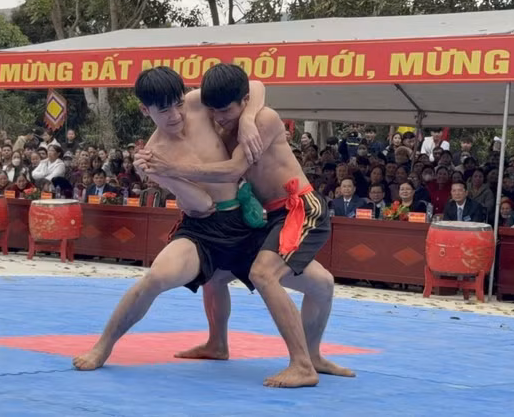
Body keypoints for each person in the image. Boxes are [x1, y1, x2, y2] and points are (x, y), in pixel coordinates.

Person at [138, 63, 354, 387]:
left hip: (299, 207)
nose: (220, 118)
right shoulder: (222, 123)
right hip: (268, 216)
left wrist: (171, 168)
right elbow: (252, 85)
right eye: (214, 111)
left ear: (244, 101)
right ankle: (306, 354)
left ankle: (302, 366)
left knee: (263, 274)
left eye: (226, 110)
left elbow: (232, 168)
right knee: (317, 282)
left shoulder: (263, 119)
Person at [72, 67, 266, 379]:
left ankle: (221, 344)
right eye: (164, 110)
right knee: (155, 279)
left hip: (244, 214)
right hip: (202, 225)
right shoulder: (153, 155)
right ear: (144, 110)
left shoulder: (197, 102)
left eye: (177, 104)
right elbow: (202, 204)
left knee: (312, 280)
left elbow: (253, 85)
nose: (176, 115)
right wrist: (162, 173)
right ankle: (103, 346)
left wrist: (247, 119)